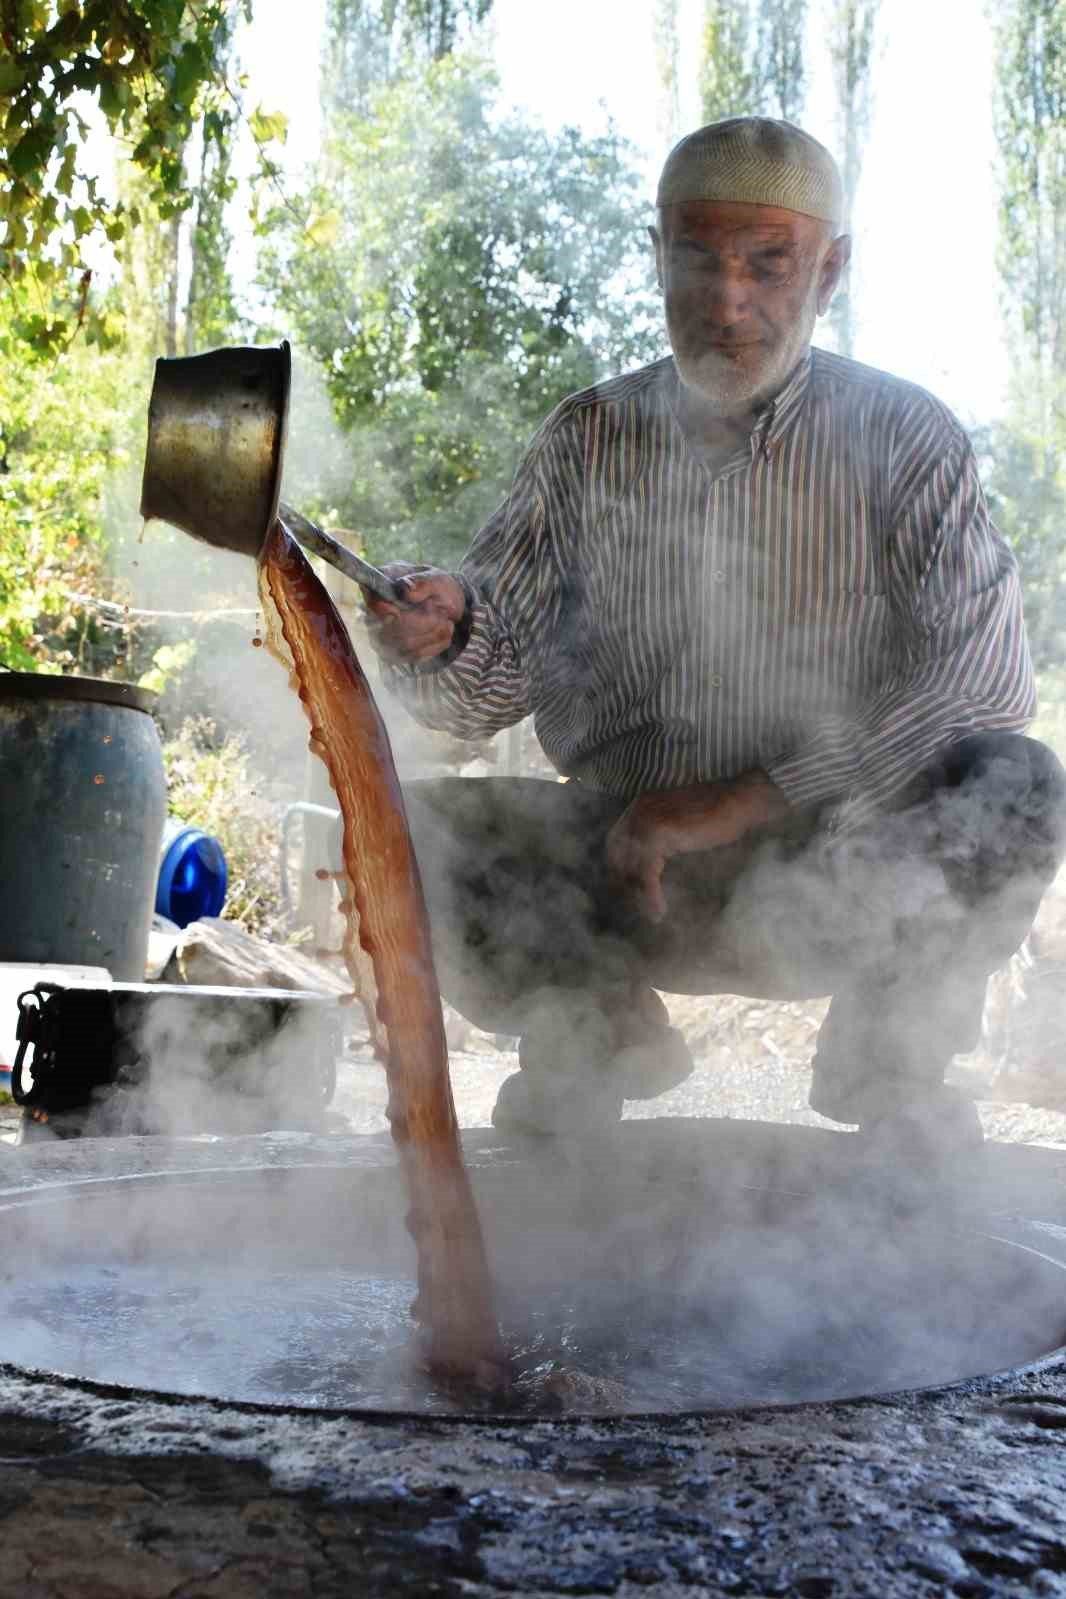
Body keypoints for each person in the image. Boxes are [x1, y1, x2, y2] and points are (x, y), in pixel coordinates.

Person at [362, 116, 1066, 1156]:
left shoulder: (902, 436)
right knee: (395, 829)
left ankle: (889, 1068)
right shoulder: (584, 439)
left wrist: (739, 801)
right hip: (623, 867)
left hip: (843, 867)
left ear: (829, 270)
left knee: (1018, 782)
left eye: (767, 263)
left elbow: (980, 682)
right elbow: (478, 699)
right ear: (657, 256)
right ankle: (589, 1035)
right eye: (696, 258)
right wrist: (443, 638)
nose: (727, 301)